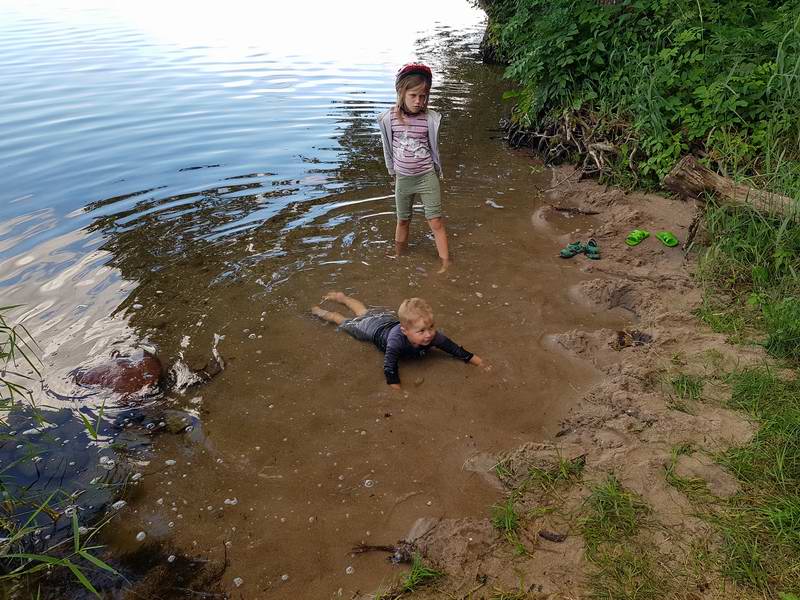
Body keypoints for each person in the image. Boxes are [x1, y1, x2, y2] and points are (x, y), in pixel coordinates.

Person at [311, 292, 483, 389]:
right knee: (347, 322)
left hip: (386, 320)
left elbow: (456, 350)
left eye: (431, 327)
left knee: (364, 312)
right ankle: (325, 313)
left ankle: (343, 298)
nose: (428, 335)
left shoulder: (433, 336)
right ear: (405, 331)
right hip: (372, 330)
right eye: (422, 331)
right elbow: (389, 367)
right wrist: (397, 392)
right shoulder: (395, 343)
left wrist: (481, 364)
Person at [377, 63, 450, 273]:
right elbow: (387, 148)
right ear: (401, 92)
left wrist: (438, 170)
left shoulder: (429, 119)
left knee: (435, 221)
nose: (419, 101)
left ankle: (446, 263)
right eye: (413, 95)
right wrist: (393, 172)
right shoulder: (389, 119)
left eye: (423, 96)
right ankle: (399, 255)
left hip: (427, 176)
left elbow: (433, 148)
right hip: (404, 178)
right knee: (402, 220)